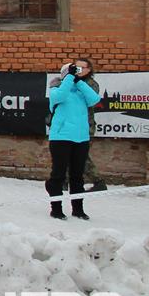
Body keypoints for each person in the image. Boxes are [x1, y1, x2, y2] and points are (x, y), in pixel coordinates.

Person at [46, 58, 101, 220]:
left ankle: (78, 209)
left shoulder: (82, 89)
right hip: (61, 137)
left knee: (77, 176)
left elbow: (94, 99)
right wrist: (69, 78)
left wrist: (79, 82)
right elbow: (60, 97)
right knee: (59, 174)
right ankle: (56, 209)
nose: (78, 72)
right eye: (75, 69)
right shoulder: (56, 88)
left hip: (81, 138)